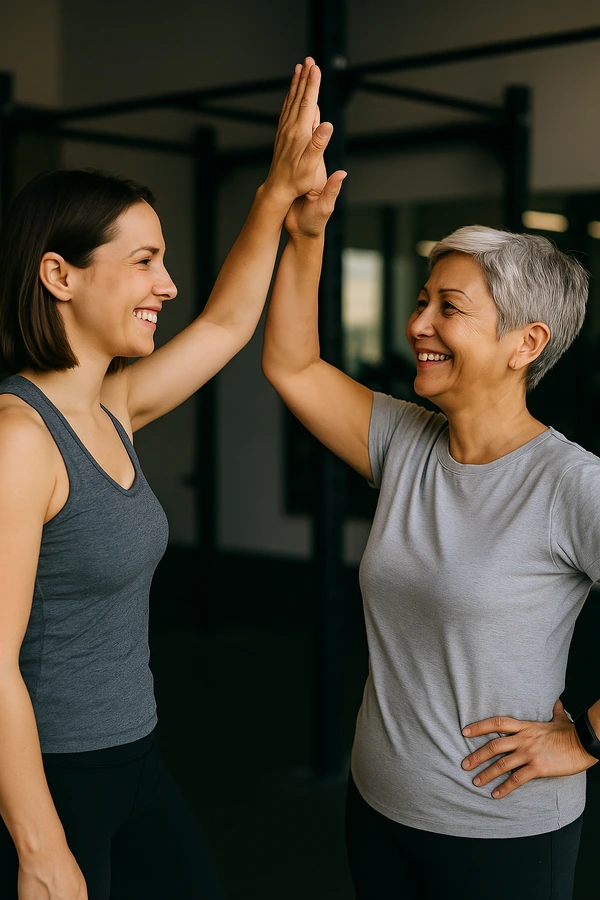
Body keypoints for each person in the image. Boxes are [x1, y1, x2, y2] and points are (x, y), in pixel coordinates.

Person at [0, 57, 339, 900]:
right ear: (59, 275)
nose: (168, 285)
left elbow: (226, 322)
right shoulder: (19, 442)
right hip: (51, 779)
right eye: (145, 261)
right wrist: (41, 851)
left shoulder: (110, 407)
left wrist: (274, 195)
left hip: (133, 758)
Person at [261, 215, 600, 899]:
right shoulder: (404, 442)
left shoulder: (571, 483)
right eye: (422, 301)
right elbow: (291, 363)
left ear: (525, 343)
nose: (418, 324)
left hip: (502, 832)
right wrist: (304, 236)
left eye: (449, 308)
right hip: (378, 806)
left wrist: (586, 740)